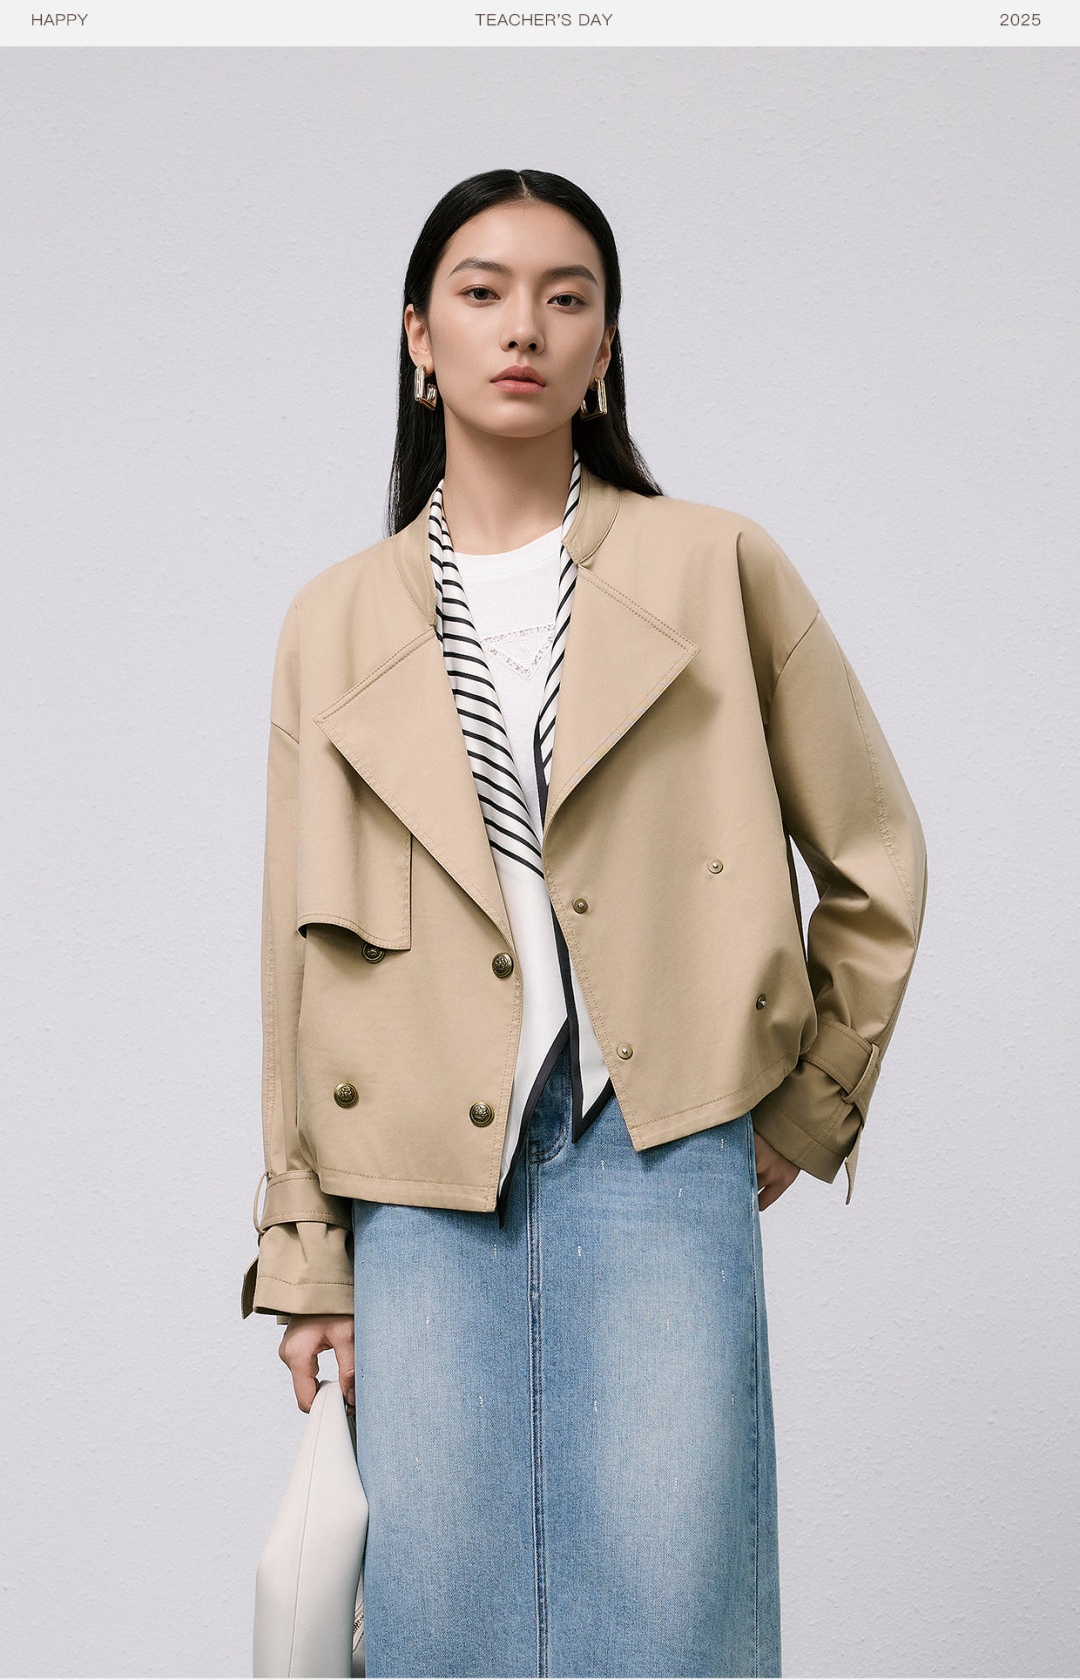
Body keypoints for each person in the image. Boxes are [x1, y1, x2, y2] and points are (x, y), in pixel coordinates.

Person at [242, 167, 927, 1680]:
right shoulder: (332, 620)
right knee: (441, 1620)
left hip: (658, 1142)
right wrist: (307, 1256)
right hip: (415, 1177)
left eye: (567, 298)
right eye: (482, 292)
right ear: (418, 336)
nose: (524, 328)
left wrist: (806, 1106)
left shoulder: (713, 564)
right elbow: (298, 959)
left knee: (678, 1611)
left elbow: (876, 853)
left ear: (604, 346)